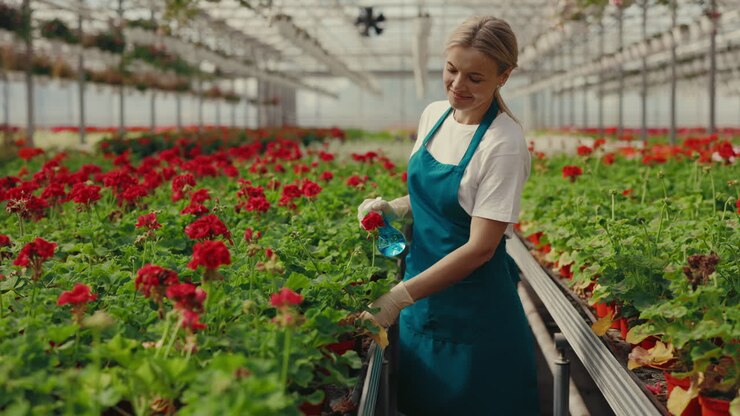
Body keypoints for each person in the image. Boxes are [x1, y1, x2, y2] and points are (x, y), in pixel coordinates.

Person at [357, 16, 540, 416]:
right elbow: (444, 196)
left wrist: (397, 298)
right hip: (422, 299)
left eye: (475, 78)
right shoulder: (435, 115)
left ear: (503, 76)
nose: (458, 86)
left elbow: (479, 249)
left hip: (473, 312)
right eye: (452, 70)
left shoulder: (503, 143)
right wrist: (394, 207)